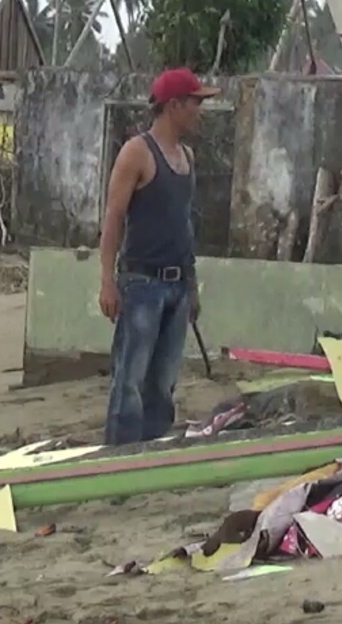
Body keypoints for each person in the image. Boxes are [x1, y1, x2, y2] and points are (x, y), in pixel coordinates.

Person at [98, 68, 220, 445]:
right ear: (174, 106)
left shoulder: (186, 156)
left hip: (177, 285)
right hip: (142, 283)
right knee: (130, 380)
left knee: (163, 382)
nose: (199, 110)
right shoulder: (137, 153)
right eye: (195, 102)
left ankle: (154, 450)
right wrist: (107, 281)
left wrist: (192, 286)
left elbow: (183, 223)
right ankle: (120, 455)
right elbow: (113, 216)